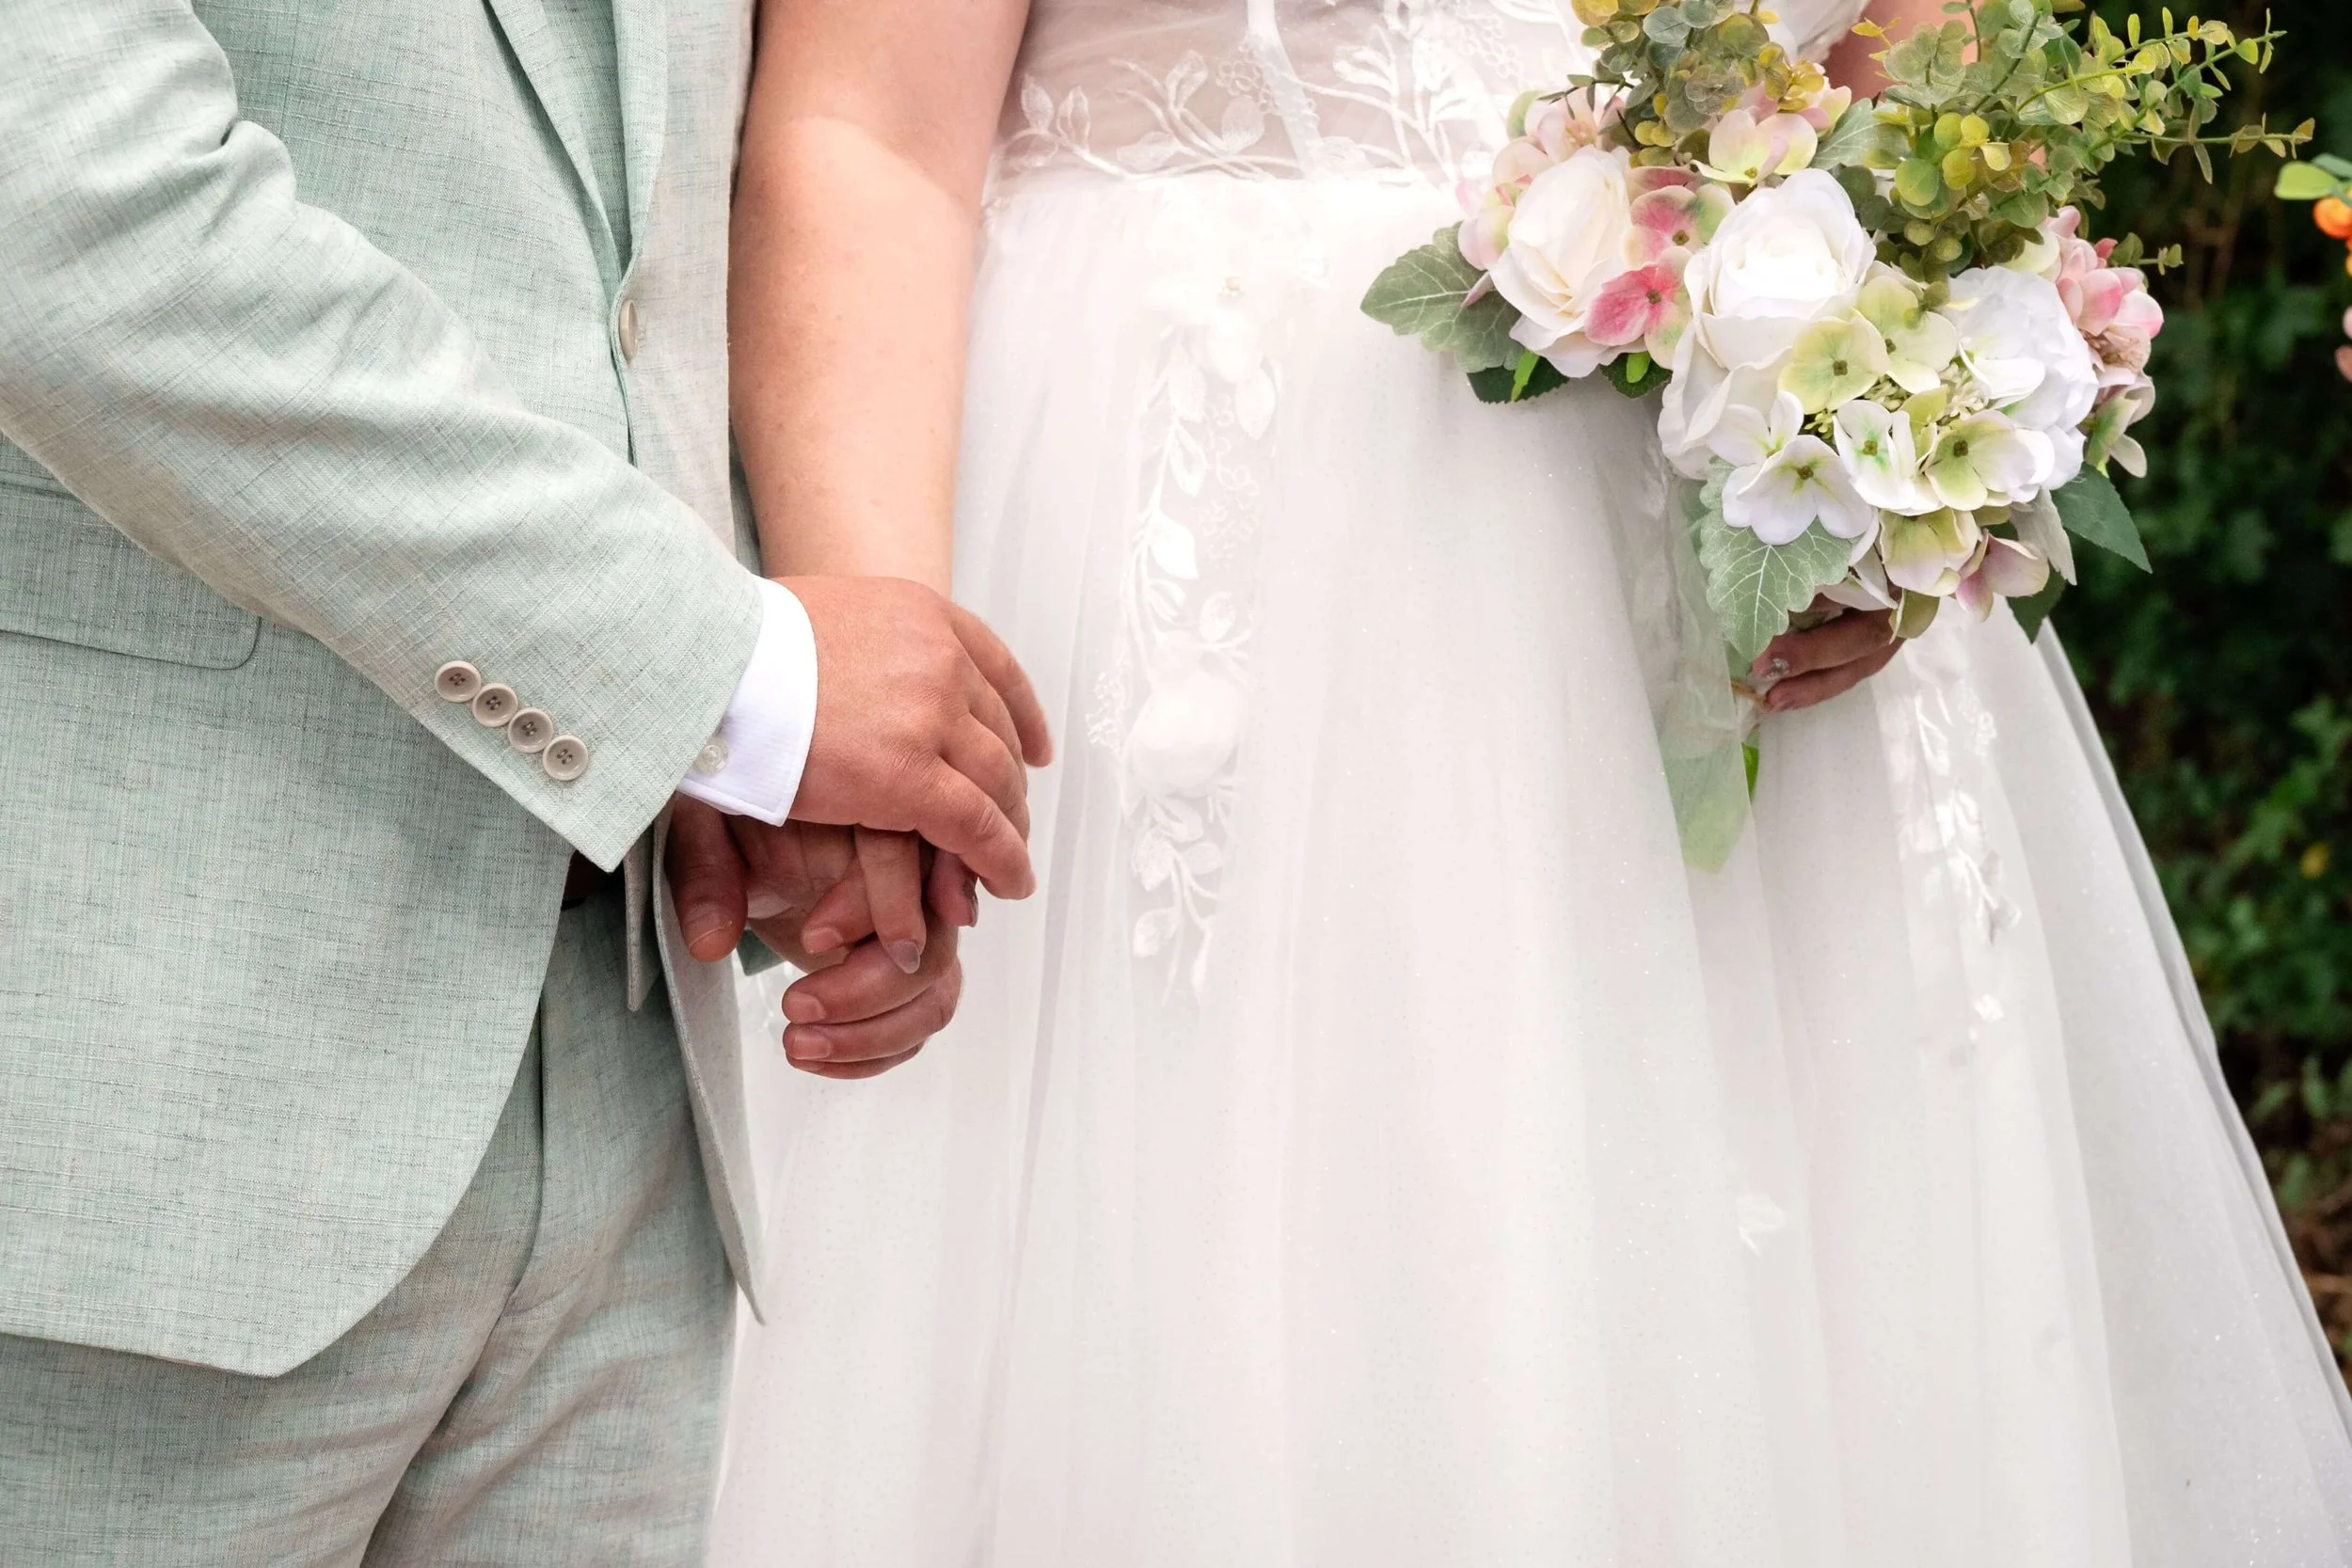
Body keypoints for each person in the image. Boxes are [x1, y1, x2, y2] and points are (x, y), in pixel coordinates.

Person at [710, 0, 2352, 1561]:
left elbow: (1933, 81)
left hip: (1759, 634)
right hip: (1233, 595)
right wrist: (869, 681)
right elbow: (870, 133)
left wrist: (1924, 445)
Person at [0, 1, 1043, 1560]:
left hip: (626, 1059)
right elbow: (65, 203)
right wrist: (721, 672)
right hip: (137, 1086)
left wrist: (750, 753)